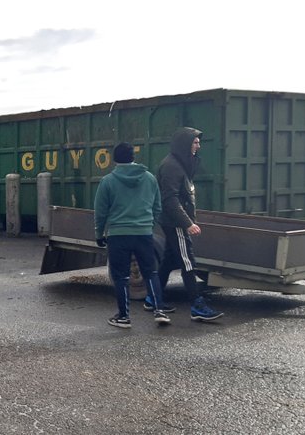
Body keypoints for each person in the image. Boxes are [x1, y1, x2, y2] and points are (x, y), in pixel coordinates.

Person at [95, 142, 170, 328]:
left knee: (121, 276)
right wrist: (148, 225)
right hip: (143, 233)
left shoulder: (108, 181)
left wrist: (99, 234)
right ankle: (159, 310)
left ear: (114, 159)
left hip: (118, 235)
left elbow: (101, 211)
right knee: (150, 272)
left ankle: (123, 317)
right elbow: (157, 207)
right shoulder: (149, 178)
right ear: (133, 157)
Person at [155, 127, 224, 321]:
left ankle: (153, 298)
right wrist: (187, 223)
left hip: (175, 220)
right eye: (195, 142)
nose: (198, 146)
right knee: (188, 261)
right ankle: (197, 305)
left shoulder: (181, 163)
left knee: (169, 259)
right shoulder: (171, 166)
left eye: (198, 142)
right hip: (175, 222)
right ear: (185, 144)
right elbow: (169, 200)